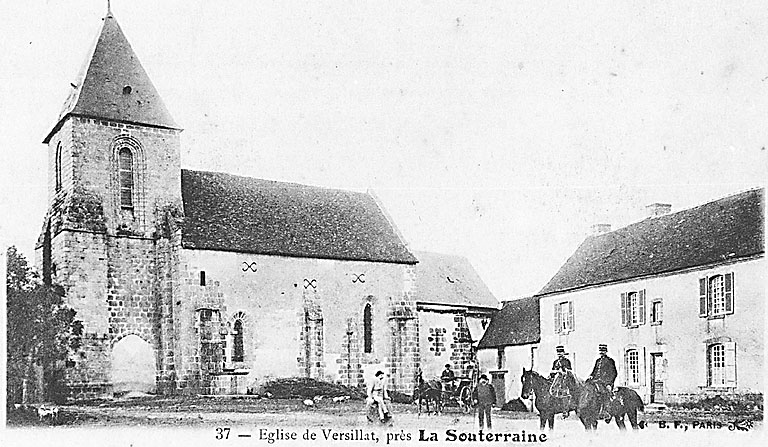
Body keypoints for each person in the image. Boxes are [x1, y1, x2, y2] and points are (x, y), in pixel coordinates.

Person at [587, 344, 617, 420]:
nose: (601, 352)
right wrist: (591, 376)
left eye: (603, 351)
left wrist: (609, 383)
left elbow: (613, 373)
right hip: (596, 381)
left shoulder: (610, 361)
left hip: (605, 383)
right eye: (600, 351)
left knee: (604, 393)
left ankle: (606, 411)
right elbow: (594, 371)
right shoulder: (598, 361)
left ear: (606, 351)